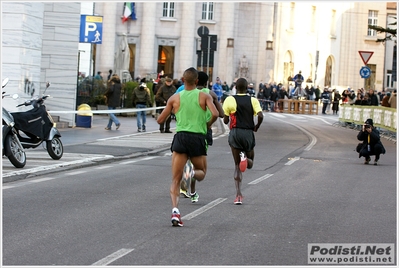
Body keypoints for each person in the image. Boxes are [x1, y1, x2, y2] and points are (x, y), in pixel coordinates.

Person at [157, 67, 219, 227]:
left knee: (175, 180)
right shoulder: (204, 96)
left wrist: (173, 111)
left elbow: (160, 120)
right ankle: (191, 172)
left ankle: (175, 211)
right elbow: (216, 114)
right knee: (202, 173)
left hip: (181, 137)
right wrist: (207, 125)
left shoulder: (174, 98)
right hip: (198, 137)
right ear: (197, 81)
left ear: (183, 80)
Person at [180, 71, 225, 201]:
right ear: (206, 82)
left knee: (188, 158)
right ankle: (192, 191)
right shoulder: (210, 94)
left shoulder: (184, 92)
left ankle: (185, 186)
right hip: (202, 131)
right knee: (198, 164)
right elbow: (220, 114)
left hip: (184, 130)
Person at [222, 78, 263, 205]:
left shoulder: (229, 99)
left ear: (235, 87)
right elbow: (261, 115)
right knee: (250, 163)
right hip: (247, 133)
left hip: (235, 133)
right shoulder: (253, 100)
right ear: (247, 88)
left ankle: (238, 195)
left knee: (236, 166)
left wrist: (228, 119)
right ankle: (245, 158)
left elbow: (225, 120)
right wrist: (256, 126)